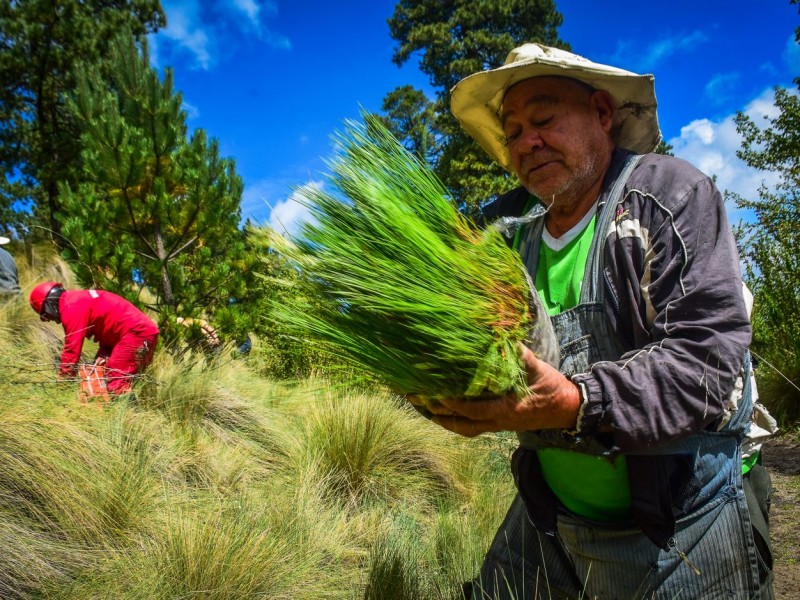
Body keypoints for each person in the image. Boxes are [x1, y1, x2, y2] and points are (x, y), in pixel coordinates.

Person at [415, 44, 774, 599]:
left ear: (603, 115)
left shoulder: (667, 198)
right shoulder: (503, 235)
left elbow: (706, 362)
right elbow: (445, 329)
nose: (525, 142)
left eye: (543, 119)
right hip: (552, 517)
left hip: (683, 520)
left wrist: (578, 403)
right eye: (512, 133)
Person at [29, 282, 159, 394]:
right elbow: (110, 327)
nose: (50, 320)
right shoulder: (74, 299)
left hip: (137, 333)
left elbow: (71, 353)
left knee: (116, 380)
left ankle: (130, 419)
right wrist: (102, 356)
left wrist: (62, 387)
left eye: (46, 316)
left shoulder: (70, 307)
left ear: (49, 305)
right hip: (135, 333)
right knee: (101, 372)